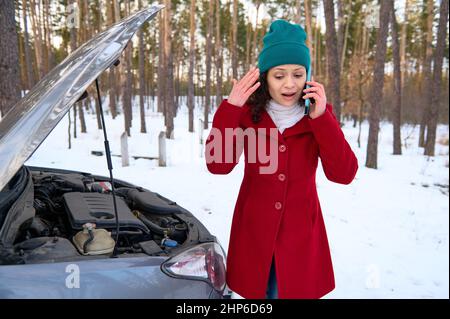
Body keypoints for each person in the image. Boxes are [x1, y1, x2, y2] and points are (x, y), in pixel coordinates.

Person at [205, 19, 358, 299]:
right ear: (265, 77)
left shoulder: (319, 115)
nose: (290, 84)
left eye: (298, 74)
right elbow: (218, 165)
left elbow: (344, 174)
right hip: (254, 233)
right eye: (279, 75)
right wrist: (230, 109)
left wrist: (323, 119)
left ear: (308, 75)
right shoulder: (247, 113)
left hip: (300, 236)